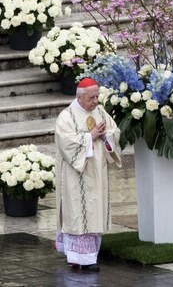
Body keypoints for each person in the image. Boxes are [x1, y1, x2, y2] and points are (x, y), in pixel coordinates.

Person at [54, 77, 122, 272]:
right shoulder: (66, 117)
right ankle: (80, 258)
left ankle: (90, 256)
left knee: (94, 211)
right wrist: (89, 137)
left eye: (97, 96)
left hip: (97, 172)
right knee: (79, 213)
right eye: (92, 98)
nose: (96, 101)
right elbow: (64, 142)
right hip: (77, 175)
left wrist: (105, 136)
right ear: (80, 97)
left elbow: (114, 131)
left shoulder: (100, 112)